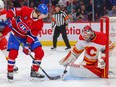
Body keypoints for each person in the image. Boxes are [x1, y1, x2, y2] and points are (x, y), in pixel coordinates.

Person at [1, 3, 48, 80]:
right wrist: (9, 19)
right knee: (13, 52)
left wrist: (27, 45)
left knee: (40, 52)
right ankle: (10, 71)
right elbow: (12, 11)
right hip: (15, 33)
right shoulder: (26, 10)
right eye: (43, 14)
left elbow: (32, 35)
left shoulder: (40, 23)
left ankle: (34, 71)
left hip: (26, 37)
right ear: (38, 12)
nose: (43, 17)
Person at [0, 0, 18, 72]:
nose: (0, 10)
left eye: (1, 8)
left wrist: (2, 34)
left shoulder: (5, 14)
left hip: (1, 36)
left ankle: (12, 65)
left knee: (6, 50)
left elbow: (8, 27)